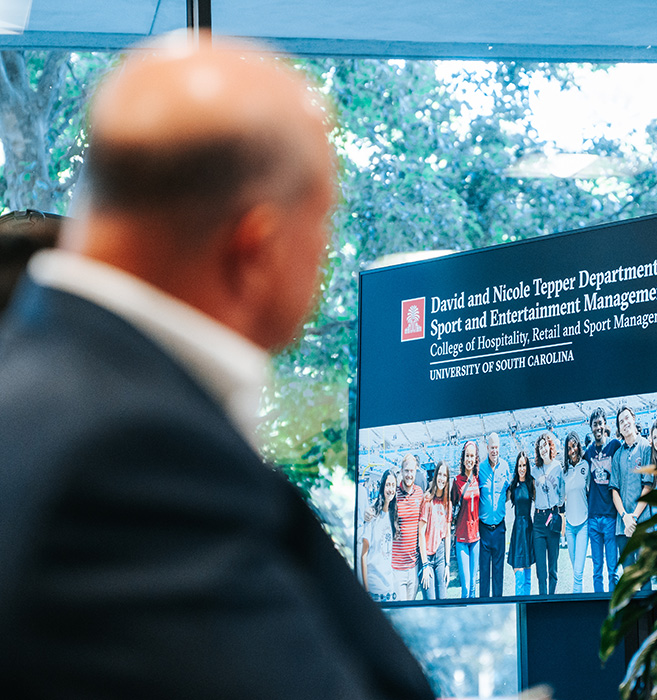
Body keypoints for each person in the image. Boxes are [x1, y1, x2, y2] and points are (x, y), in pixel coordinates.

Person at [0, 33, 433, 700]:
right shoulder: (133, 453)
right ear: (257, 244)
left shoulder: (41, 388)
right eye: (324, 218)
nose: (326, 254)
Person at [610, 406, 654, 574]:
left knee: (644, 577)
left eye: (627, 418)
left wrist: (634, 517)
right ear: (619, 429)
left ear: (634, 419)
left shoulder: (646, 447)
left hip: (642, 524)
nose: (625, 423)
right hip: (622, 527)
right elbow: (614, 490)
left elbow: (648, 486)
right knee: (628, 576)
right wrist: (625, 517)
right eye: (621, 421)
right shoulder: (617, 455)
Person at [584, 407, 620, 593]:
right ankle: (599, 604)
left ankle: (615, 605)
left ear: (605, 425)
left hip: (610, 517)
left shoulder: (614, 446)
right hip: (593, 518)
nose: (598, 427)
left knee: (613, 570)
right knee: (597, 571)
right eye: (594, 424)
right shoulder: (588, 452)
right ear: (590, 427)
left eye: (600, 423)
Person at [478, 432, 511, 598]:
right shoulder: (480, 469)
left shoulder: (505, 467)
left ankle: (499, 603)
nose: (494, 451)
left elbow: (509, 491)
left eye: (496, 447)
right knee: (484, 573)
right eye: (492, 447)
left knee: (498, 573)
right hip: (483, 529)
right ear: (487, 448)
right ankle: (483, 606)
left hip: (499, 528)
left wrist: (498, 506)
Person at [532, 431, 564, 596]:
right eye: (540, 447)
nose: (543, 449)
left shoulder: (558, 467)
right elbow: (531, 492)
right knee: (541, 569)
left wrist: (556, 507)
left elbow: (562, 494)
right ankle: (542, 598)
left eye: (545, 445)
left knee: (553, 567)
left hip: (553, 516)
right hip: (538, 520)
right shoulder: (534, 470)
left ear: (550, 446)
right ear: (538, 451)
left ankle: (552, 598)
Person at [361, 470, 400, 602]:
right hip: (374, 590)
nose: (391, 489)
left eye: (393, 485)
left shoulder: (393, 515)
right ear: (382, 487)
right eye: (388, 485)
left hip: (389, 589)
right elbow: (364, 555)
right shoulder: (372, 515)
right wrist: (366, 590)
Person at [391, 454, 424, 601]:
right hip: (397, 567)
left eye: (412, 471)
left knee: (411, 606)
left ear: (416, 471)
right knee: (402, 607)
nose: (409, 475)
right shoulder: (394, 494)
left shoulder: (419, 493)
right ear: (401, 471)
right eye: (406, 471)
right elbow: (381, 507)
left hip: (413, 566)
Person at [418, 460, 452, 600]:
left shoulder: (447, 503)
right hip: (427, 556)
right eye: (439, 474)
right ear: (435, 476)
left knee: (443, 600)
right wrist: (425, 565)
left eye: (444, 475)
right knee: (430, 601)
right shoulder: (427, 499)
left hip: (440, 556)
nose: (441, 478)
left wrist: (447, 565)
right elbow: (421, 533)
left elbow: (448, 535)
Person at [452, 440, 481, 598]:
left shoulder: (478, 479)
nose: (469, 459)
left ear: (476, 459)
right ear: (463, 459)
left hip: (475, 538)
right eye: (467, 456)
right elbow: (451, 505)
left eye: (472, 456)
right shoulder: (456, 481)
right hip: (462, 538)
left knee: (473, 587)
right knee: (466, 587)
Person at [563, 431, 590, 593]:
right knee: (576, 571)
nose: (572, 450)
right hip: (569, 527)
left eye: (574, 446)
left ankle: (576, 603)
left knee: (578, 573)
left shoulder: (585, 466)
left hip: (583, 525)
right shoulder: (564, 471)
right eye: (568, 448)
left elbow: (590, 492)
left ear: (578, 446)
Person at [506, 451, 536, 595]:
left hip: (528, 529)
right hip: (517, 530)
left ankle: (528, 604)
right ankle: (519, 605)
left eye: (524, 465)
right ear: (516, 467)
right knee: (519, 577)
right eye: (519, 465)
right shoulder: (513, 486)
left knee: (528, 578)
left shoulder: (531, 483)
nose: (522, 468)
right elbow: (501, 500)